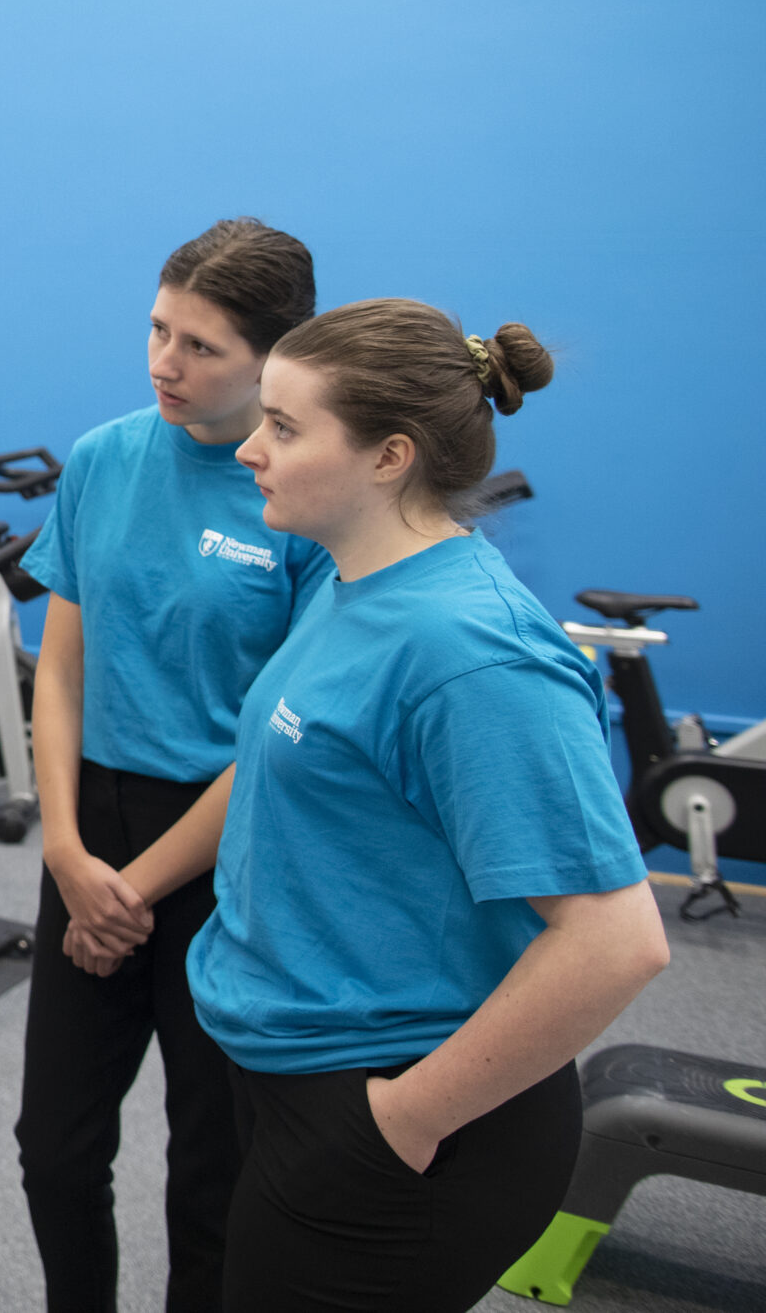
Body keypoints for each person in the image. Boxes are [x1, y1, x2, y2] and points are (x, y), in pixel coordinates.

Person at [132, 298, 670, 1313]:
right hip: (286, 1063)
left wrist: (404, 1120)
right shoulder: (351, 583)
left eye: (284, 428)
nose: (249, 448)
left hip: (398, 1106)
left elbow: (615, 941)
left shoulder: (470, 652)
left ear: (389, 457)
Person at [12, 219, 331, 1313]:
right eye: (157, 330)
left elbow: (275, 734)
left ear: (271, 360)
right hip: (85, 833)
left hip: (226, 851)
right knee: (52, 1149)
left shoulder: (299, 498)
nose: (164, 363)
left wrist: (135, 888)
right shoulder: (103, 458)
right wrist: (64, 850)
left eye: (201, 347)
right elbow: (59, 670)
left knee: (210, 1171)